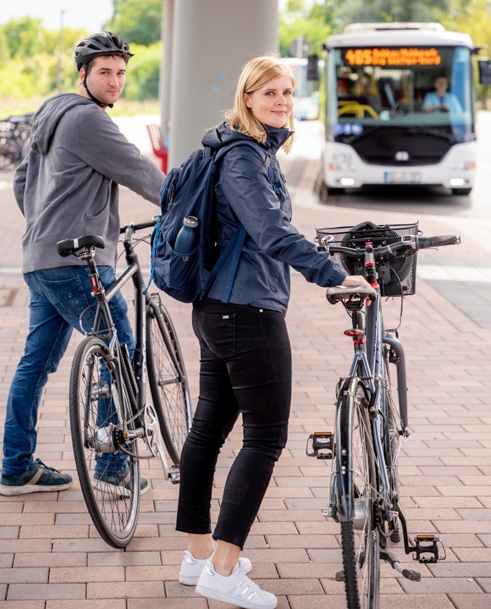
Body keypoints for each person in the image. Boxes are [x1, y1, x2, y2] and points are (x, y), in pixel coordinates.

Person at [175, 56, 371, 609]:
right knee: (264, 439)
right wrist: (333, 274)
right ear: (247, 98)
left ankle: (198, 556)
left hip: (218, 310)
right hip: (247, 315)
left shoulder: (232, 149)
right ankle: (224, 569)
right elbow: (269, 231)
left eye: (287, 92)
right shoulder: (244, 157)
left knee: (207, 430)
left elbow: (261, 228)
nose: (282, 100)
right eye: (269, 93)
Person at [0, 32, 165, 497]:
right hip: (78, 262)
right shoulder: (89, 120)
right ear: (84, 75)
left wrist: (44, 225)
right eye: (105, 73)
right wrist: (189, 205)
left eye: (121, 74)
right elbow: (139, 170)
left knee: (36, 362)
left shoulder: (49, 115)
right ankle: (113, 467)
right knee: (121, 352)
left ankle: (16, 467)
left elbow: (22, 182)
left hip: (40, 259)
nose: (115, 82)